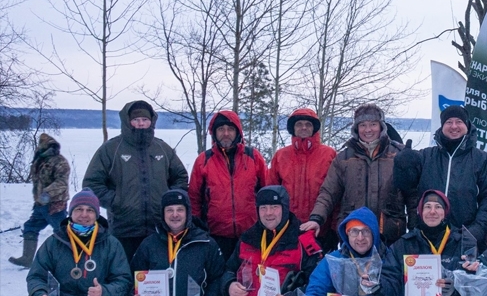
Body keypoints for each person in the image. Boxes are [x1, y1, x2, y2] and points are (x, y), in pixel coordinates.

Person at [83, 100, 189, 261]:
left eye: (145, 120)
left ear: (151, 122)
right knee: (123, 275)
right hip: (123, 228)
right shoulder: (112, 149)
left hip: (159, 229)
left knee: (156, 278)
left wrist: (170, 201)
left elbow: (180, 177)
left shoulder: (161, 148)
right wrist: (116, 201)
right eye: (136, 120)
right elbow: (92, 183)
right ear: (128, 121)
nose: (141, 124)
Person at [393, 105, 487, 250]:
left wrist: (478, 230)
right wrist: (402, 166)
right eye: (449, 122)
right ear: (442, 126)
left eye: (459, 122)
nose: (454, 126)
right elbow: (406, 187)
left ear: (466, 125)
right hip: (427, 238)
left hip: (466, 238)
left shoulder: (482, 159)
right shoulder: (425, 156)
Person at [303, 104, 409, 250]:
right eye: (363, 125)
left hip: (390, 235)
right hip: (353, 236)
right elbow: (328, 193)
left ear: (382, 127)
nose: (368, 130)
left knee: (388, 273)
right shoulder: (344, 158)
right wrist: (317, 218)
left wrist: (416, 231)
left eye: (373, 124)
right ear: (356, 129)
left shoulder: (399, 155)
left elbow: (413, 197)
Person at [189, 110, 268, 261]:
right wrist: (198, 229)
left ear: (238, 132)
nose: (226, 133)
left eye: (230, 129)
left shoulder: (253, 157)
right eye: (221, 129)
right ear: (214, 133)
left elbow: (267, 191)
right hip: (215, 234)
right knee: (219, 278)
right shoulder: (204, 160)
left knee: (249, 278)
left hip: (251, 233)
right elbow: (194, 198)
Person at [268, 108, 337, 250]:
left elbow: (336, 192)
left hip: (321, 230)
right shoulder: (281, 155)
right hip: (286, 229)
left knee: (319, 271)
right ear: (293, 128)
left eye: (308, 124)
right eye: (299, 124)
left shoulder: (329, 154)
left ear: (315, 128)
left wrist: (334, 227)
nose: (304, 127)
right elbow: (270, 192)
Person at [9, 133, 70, 268]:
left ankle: (68, 260)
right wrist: (39, 198)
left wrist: (47, 194)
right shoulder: (40, 160)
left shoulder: (60, 161)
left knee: (63, 232)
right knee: (30, 227)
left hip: (55, 205)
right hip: (40, 205)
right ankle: (27, 258)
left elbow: (62, 182)